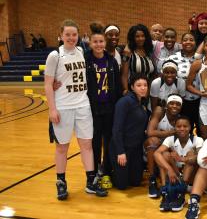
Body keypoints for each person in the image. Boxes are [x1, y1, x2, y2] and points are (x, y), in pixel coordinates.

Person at [44, 19, 107, 200]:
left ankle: (90, 181)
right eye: (67, 35)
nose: (71, 38)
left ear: (79, 36)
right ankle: (61, 182)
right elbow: (48, 85)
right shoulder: (55, 55)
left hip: (82, 105)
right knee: (62, 147)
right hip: (63, 107)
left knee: (86, 145)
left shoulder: (82, 52)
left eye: (74, 34)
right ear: (61, 36)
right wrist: (52, 109)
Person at [85, 22, 122, 189]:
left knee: (108, 140)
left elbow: (118, 86)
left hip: (109, 108)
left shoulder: (111, 61)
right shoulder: (85, 60)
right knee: (94, 142)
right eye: (95, 42)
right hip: (92, 108)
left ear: (105, 43)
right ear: (90, 43)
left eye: (101, 42)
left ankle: (106, 170)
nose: (99, 45)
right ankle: (93, 173)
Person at [154, 115, 204, 212]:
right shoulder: (170, 139)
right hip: (174, 174)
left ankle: (181, 192)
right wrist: (169, 170)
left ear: (191, 127)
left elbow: (201, 157)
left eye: (185, 126)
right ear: (175, 127)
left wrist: (183, 159)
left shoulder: (198, 140)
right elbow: (156, 153)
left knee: (192, 154)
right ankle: (166, 192)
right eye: (179, 126)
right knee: (164, 154)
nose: (182, 129)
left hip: (190, 178)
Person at [110, 74, 150, 190]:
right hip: (122, 148)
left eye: (145, 85)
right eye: (139, 85)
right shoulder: (124, 102)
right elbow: (117, 129)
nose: (143, 88)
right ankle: (108, 170)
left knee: (136, 182)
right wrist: (120, 152)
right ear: (132, 87)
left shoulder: (142, 102)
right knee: (122, 185)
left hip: (135, 149)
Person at [144, 94, 183, 198]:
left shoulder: (180, 120)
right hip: (150, 148)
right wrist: (168, 133)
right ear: (166, 105)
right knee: (153, 141)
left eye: (178, 104)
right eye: (172, 103)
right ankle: (152, 180)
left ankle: (165, 184)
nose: (174, 106)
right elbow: (150, 132)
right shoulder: (159, 111)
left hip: (165, 150)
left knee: (167, 151)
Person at [168, 33, 201, 136]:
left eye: (191, 39)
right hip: (181, 101)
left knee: (201, 129)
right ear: (181, 43)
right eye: (185, 40)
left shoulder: (202, 58)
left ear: (196, 43)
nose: (188, 42)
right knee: (184, 130)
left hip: (201, 99)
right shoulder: (173, 58)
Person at [121, 24, 155, 94]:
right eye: (137, 36)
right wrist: (126, 90)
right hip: (133, 92)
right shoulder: (128, 52)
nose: (141, 38)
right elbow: (124, 75)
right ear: (133, 38)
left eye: (143, 36)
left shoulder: (149, 52)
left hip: (147, 91)